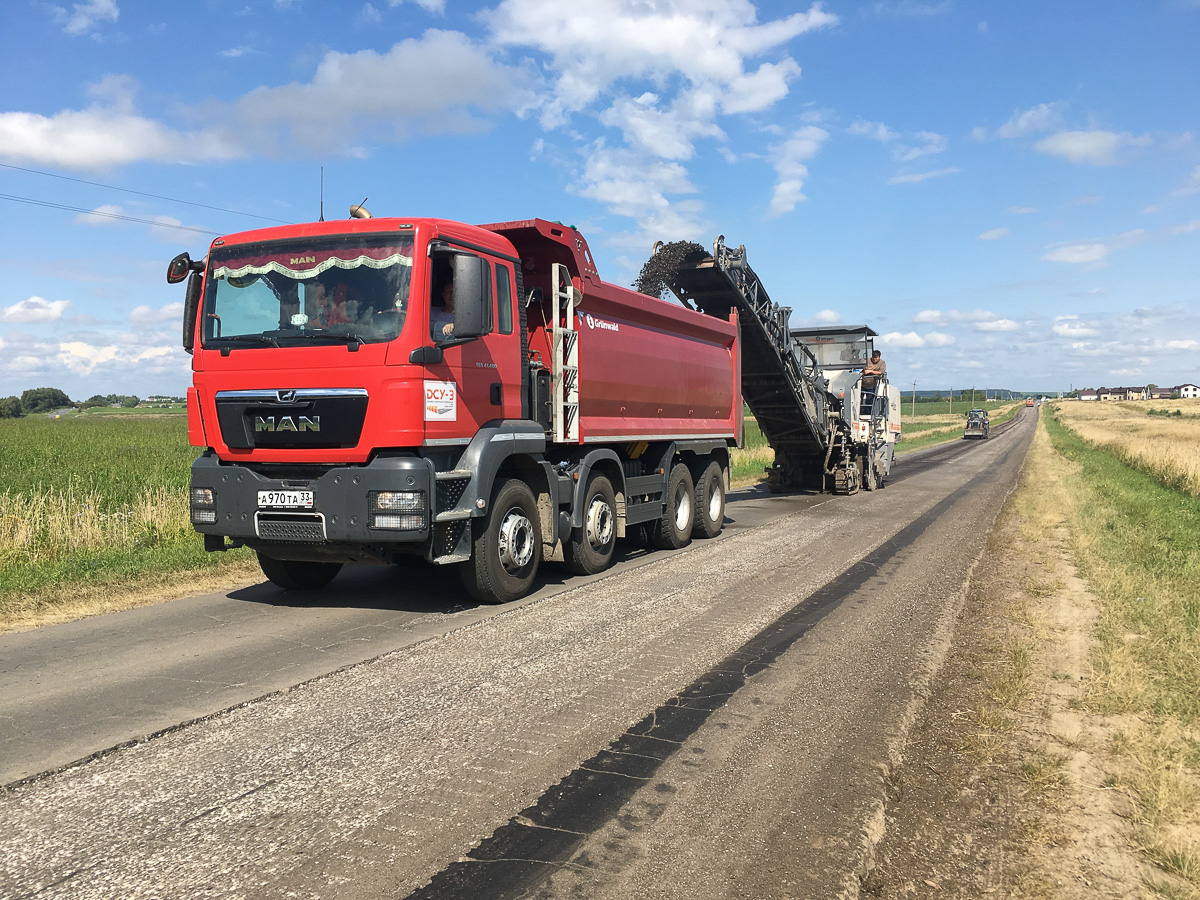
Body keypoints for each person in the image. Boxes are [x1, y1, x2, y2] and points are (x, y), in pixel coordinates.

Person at [860, 349, 886, 415]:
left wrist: (870, 371)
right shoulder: (866, 361)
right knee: (859, 400)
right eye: (873, 357)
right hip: (862, 384)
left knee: (870, 400)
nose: (874, 359)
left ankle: (868, 414)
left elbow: (880, 372)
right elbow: (860, 366)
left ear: (879, 357)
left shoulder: (882, 363)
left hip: (872, 385)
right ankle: (860, 413)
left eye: (876, 358)